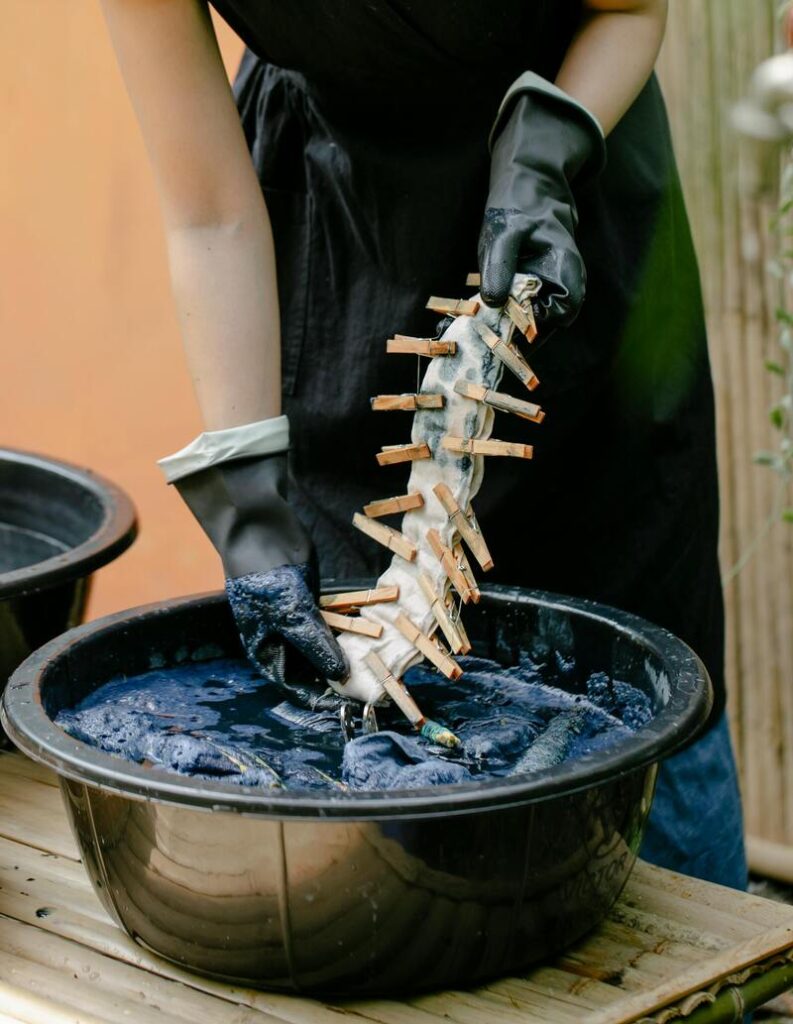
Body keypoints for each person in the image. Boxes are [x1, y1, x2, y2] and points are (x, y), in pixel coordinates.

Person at [99, 0, 746, 889]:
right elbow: (209, 213)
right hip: (332, 248)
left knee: (640, 669)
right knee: (354, 716)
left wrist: (546, 148)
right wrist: (245, 493)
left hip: (562, 199)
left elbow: (629, 10)